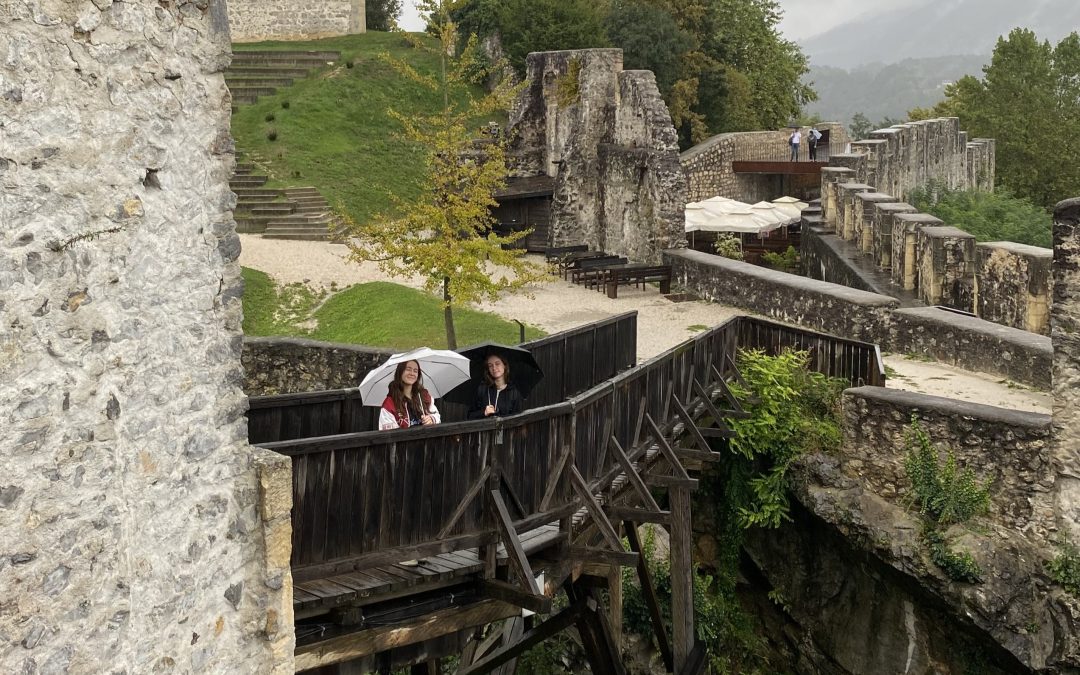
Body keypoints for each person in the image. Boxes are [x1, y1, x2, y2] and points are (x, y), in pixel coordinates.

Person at [378, 360, 441, 430]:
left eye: (415, 371)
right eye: (408, 369)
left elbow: (437, 416)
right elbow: (389, 435)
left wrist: (431, 419)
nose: (412, 373)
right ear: (400, 372)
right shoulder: (389, 404)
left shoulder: (424, 396)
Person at [467, 353, 524, 419]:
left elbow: (517, 419)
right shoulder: (482, 389)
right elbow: (470, 416)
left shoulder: (514, 392)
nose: (494, 368)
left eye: (497, 363)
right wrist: (484, 412)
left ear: (504, 365)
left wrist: (499, 417)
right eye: (490, 365)